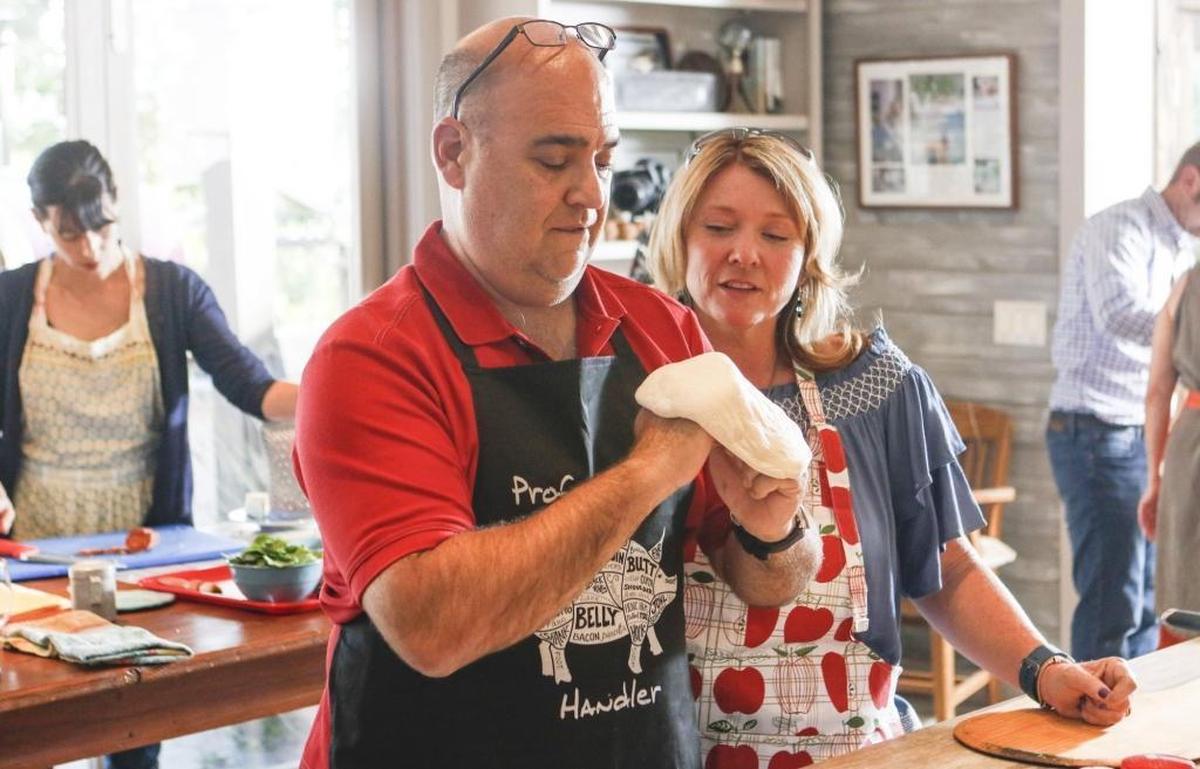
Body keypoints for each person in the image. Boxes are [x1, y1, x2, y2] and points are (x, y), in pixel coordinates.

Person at [292, 18, 815, 769]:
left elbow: (767, 579)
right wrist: (645, 473)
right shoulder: (372, 357)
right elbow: (432, 625)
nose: (591, 195)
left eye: (604, 159)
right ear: (454, 152)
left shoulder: (661, 328)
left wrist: (771, 530)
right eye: (554, 160)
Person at [646, 128, 1138, 766]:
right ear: (679, 237)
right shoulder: (635, 388)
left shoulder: (874, 388)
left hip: (860, 754)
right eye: (719, 227)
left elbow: (945, 568)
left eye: (776, 235)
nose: (745, 253)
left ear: (808, 256)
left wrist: (1045, 669)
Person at [0, 139, 298, 769]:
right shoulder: (10, 298)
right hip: (35, 557)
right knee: (31, 731)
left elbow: (251, 386)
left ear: (117, 207)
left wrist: (346, 389)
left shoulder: (171, 292)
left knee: (131, 730)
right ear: (40, 222)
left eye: (100, 227)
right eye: (68, 234)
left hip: (142, 555)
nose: (89, 248)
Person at [1047, 143, 1200, 662]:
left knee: (1146, 603)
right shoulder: (1121, 227)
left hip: (1135, 432)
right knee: (1112, 601)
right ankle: (1088, 728)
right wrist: (1179, 328)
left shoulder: (1182, 247)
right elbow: (1118, 315)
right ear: (1192, 182)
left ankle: (1129, 723)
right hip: (1094, 432)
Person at [1139, 265, 1200, 644]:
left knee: (1185, 595)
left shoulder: (1187, 283)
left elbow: (1157, 393)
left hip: (1188, 453)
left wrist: (1154, 481)